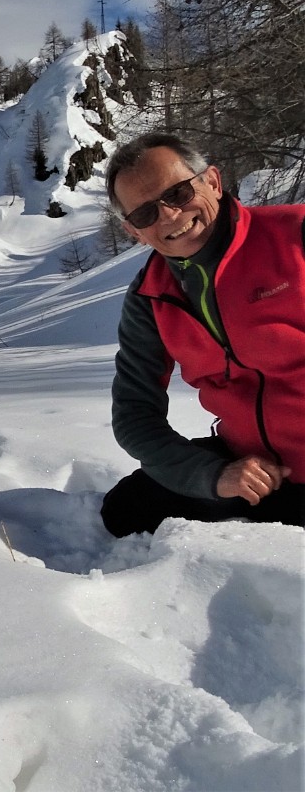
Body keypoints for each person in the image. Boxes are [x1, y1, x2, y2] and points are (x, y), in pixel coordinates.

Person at [99, 132, 305, 537]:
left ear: (212, 181)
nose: (169, 216)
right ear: (134, 231)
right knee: (125, 511)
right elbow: (134, 414)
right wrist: (213, 475)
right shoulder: (151, 296)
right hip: (254, 471)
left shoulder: (294, 235)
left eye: (177, 193)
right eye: (144, 214)